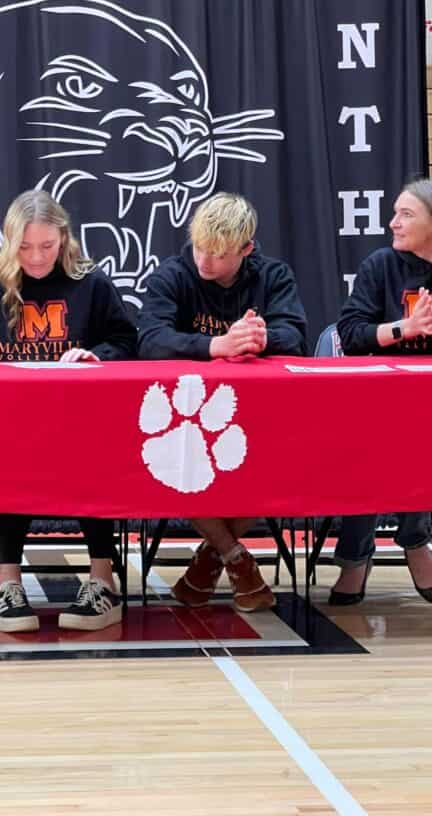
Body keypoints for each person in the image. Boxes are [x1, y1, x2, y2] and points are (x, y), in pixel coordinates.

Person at [0, 189, 137, 633]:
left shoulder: (91, 283)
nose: (35, 257)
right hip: (12, 425)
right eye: (25, 247)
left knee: (96, 454)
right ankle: (9, 583)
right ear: (9, 242)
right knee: (12, 458)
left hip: (80, 425)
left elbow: (128, 342)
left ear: (64, 238)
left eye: (47, 246)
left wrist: (95, 355)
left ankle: (102, 582)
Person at [137, 191, 307, 613]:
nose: (204, 261)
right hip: (185, 419)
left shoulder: (274, 275)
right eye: (199, 247)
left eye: (217, 254)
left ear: (246, 250)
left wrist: (262, 338)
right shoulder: (172, 275)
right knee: (179, 459)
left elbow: (297, 336)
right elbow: (149, 340)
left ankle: (212, 558)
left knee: (276, 459)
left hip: (258, 414)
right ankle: (235, 558)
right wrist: (216, 344)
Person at [331, 178, 432, 606]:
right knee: (380, 442)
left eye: (406, 215)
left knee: (418, 437)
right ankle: (410, 542)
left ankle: (367, 553)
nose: (393, 223)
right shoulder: (380, 265)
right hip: (382, 397)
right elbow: (351, 333)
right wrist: (404, 328)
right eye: (395, 213)